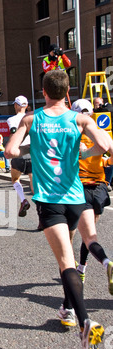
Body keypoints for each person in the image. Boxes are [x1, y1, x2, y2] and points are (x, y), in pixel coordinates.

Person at [5, 70, 113, 349]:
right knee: (74, 256)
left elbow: (10, 151)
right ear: (67, 92)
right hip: (77, 198)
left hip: (50, 201)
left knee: (66, 263)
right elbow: (106, 146)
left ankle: (86, 322)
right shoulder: (80, 119)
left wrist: (34, 149)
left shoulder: (32, 120)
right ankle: (69, 311)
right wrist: (81, 152)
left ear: (43, 91)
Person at [71, 99, 113, 295]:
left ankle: (72, 270)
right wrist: (105, 161)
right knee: (90, 234)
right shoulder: (101, 133)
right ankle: (82, 268)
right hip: (99, 188)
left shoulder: (72, 134)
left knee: (74, 234)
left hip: (77, 188)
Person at [7, 96, 34, 217]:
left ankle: (23, 200)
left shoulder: (11, 119)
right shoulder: (34, 117)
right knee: (34, 184)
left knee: (15, 179)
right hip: (33, 151)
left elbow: (14, 133)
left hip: (19, 151)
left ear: (16, 105)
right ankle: (41, 214)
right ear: (26, 106)